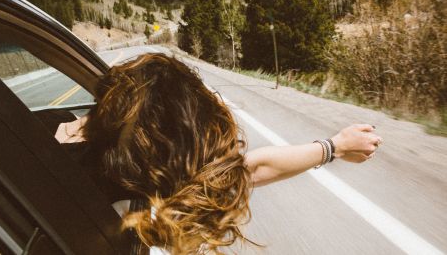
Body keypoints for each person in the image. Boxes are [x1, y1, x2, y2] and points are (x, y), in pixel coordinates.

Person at [53, 53, 382, 254]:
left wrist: (334, 147)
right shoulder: (147, 196)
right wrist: (334, 147)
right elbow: (249, 168)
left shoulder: (45, 155)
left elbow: (248, 168)